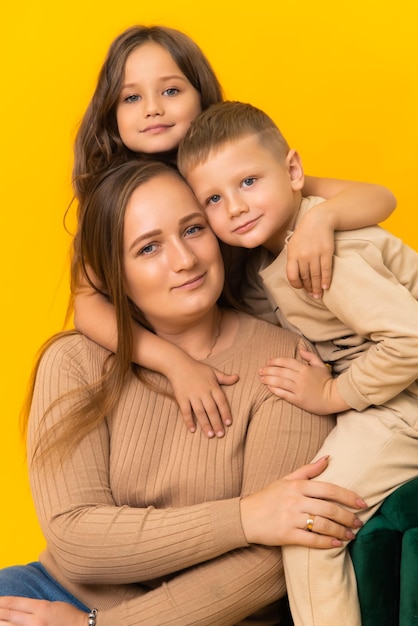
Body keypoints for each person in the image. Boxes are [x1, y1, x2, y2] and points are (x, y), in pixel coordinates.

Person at [0, 160, 367, 625]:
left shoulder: (287, 365)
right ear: (115, 273)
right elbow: (75, 542)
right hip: (56, 594)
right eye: (149, 247)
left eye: (193, 230)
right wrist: (245, 517)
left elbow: (269, 566)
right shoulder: (75, 361)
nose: (184, 259)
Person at [70, 24, 397, 438]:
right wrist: (174, 363)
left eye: (171, 91)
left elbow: (379, 197)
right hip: (191, 349)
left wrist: (320, 219)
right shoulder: (116, 203)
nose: (152, 108)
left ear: (201, 97)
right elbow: (87, 303)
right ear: (111, 116)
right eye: (131, 97)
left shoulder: (236, 169)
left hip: (284, 339)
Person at [176, 100, 418, 626]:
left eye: (247, 183)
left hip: (406, 405)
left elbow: (412, 341)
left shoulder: (327, 253)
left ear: (292, 171)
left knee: (309, 525)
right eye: (214, 199)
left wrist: (332, 395)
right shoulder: (267, 252)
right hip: (385, 399)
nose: (235, 208)